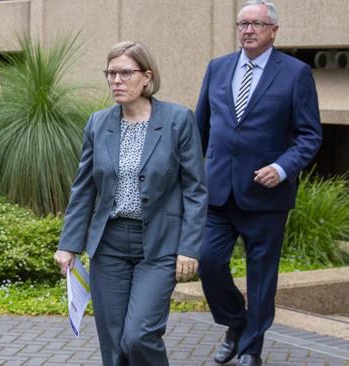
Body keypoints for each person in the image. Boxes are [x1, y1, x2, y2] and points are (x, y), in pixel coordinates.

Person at [54, 41, 207, 366]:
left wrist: (189, 248)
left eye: (125, 72)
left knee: (139, 335)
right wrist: (69, 244)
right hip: (108, 245)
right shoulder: (98, 123)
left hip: (159, 244)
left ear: (147, 77)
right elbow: (84, 189)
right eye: (110, 73)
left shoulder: (178, 120)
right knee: (114, 342)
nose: (116, 80)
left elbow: (195, 189)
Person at [195, 1, 323, 365]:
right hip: (218, 193)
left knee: (262, 280)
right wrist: (188, 177)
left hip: (267, 197)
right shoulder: (217, 67)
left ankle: (251, 348)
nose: (248, 29)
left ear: (273, 31)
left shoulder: (295, 73)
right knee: (208, 262)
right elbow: (199, 127)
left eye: (256, 24)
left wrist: (282, 169)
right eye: (243, 23)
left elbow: (309, 136)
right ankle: (236, 322)